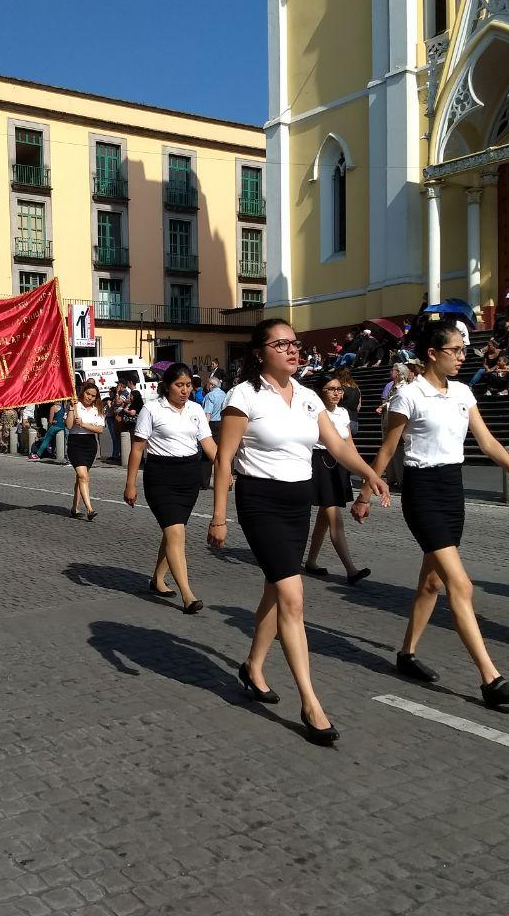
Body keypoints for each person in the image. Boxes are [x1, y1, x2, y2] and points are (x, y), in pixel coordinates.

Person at [208, 319, 391, 746]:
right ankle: (311, 703)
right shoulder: (244, 395)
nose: (293, 350)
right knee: (293, 596)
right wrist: (219, 517)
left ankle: (253, 667)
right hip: (260, 502)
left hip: (297, 503)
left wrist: (370, 474)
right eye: (281, 344)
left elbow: (338, 446)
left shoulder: (309, 397)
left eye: (295, 343)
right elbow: (225, 458)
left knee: (276, 590)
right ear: (260, 352)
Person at [367, 323, 509, 707]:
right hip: (422, 491)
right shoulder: (408, 395)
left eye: (464, 350)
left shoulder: (463, 392)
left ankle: (407, 654)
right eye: (456, 350)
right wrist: (366, 492)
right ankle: (490, 679)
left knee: (432, 583)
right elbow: (387, 449)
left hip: (452, 490)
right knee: (459, 585)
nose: (464, 356)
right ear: (433, 352)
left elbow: (488, 442)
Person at [123, 363, 218, 614]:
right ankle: (188, 595)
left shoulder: (196, 409)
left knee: (172, 532)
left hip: (189, 478)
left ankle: (157, 578)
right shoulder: (152, 409)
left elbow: (208, 444)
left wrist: (225, 468)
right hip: (161, 477)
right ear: (167, 386)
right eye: (179, 385)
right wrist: (130, 483)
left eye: (188, 385)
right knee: (176, 533)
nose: (185, 390)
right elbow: (137, 448)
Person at [303, 373, 371, 584]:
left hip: (338, 465)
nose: (337, 393)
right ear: (320, 392)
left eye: (339, 389)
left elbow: (349, 444)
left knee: (324, 518)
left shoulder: (343, 413)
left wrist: (364, 472)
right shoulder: (312, 412)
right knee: (334, 517)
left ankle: (312, 561)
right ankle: (350, 569)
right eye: (331, 389)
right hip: (320, 463)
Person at [66, 380, 105, 519]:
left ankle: (75, 508)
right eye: (88, 394)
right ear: (83, 393)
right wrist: (71, 408)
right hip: (75, 443)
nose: (89, 397)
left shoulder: (98, 409)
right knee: (83, 476)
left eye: (93, 395)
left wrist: (84, 424)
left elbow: (100, 429)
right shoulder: (76, 406)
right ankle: (89, 509)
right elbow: (69, 425)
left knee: (81, 477)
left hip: (90, 444)